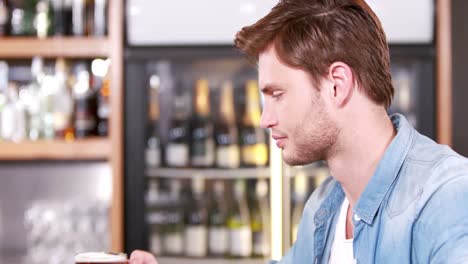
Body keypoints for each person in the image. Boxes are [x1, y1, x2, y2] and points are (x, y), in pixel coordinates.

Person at [130, 0, 468, 263]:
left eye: (277, 95)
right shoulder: (326, 205)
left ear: (337, 85)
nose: (264, 119)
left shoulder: (447, 197)